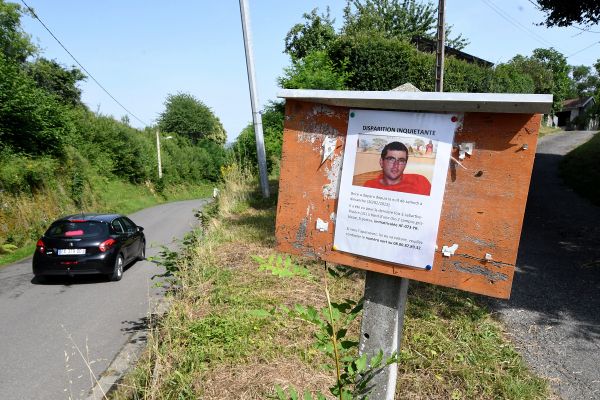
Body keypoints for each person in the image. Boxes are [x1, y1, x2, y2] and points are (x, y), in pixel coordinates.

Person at [363, 141, 431, 195]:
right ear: (381, 162)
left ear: (405, 164)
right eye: (391, 159)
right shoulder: (369, 186)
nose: (396, 165)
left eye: (401, 160)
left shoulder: (420, 182)